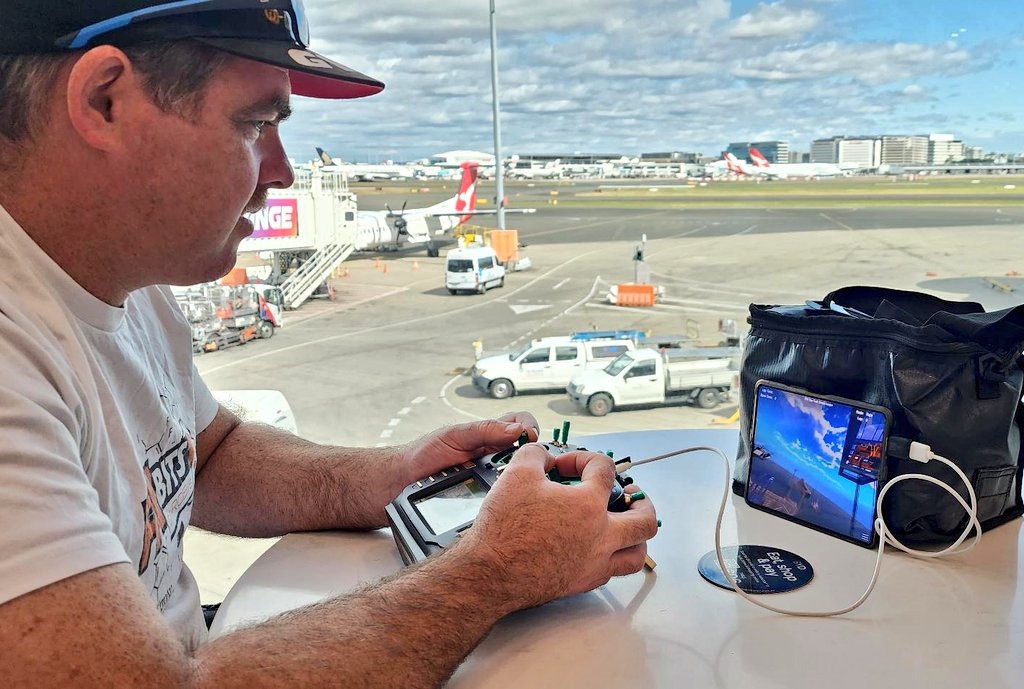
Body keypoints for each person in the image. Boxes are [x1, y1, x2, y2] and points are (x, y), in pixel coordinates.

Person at [0, 3, 658, 687]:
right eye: (256, 123)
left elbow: (210, 454)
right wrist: (495, 568)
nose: (282, 171)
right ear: (104, 100)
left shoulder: (124, 276)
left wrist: (399, 475)